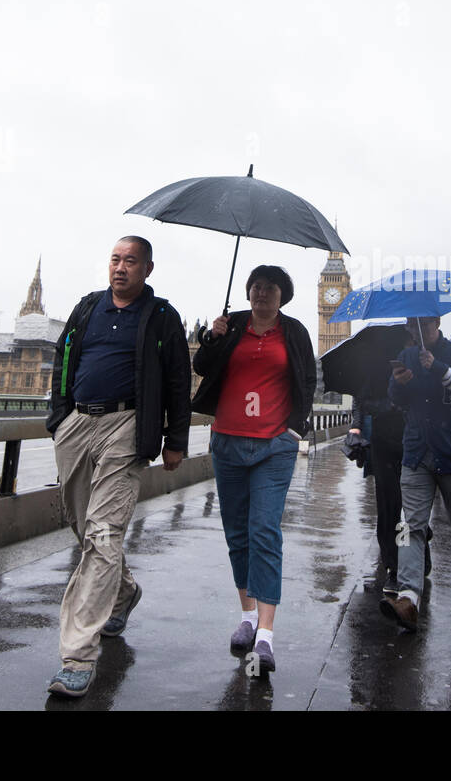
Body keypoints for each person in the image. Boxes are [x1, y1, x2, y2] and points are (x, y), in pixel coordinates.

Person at [44, 236, 192, 698]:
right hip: (77, 421)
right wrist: (58, 415)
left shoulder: (163, 316)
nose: (121, 267)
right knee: (81, 524)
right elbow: (63, 357)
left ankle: (77, 655)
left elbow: (177, 380)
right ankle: (123, 591)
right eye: (115, 259)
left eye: (131, 261)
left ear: (148, 268)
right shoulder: (88, 307)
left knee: (104, 532)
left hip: (127, 425)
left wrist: (175, 441)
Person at [192, 265, 316, 676]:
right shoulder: (232, 325)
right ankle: (246, 615)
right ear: (247, 293)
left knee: (265, 530)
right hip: (227, 440)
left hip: (274, 445)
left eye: (270, 288)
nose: (262, 293)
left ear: (284, 295)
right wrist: (212, 336)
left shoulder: (294, 332)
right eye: (256, 287)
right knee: (237, 532)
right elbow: (203, 367)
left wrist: (294, 429)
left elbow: (307, 379)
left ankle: (265, 635)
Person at [381, 316, 451, 631]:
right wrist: (399, 383)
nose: (417, 331)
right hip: (417, 452)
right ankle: (409, 597)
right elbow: (395, 400)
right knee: (411, 527)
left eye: (422, 325)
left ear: (436, 322)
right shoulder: (408, 356)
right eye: (412, 326)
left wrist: (436, 367)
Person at [348, 329, 431, 597]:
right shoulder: (376, 363)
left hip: (416, 440)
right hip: (385, 441)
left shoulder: (422, 356)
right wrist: (357, 428)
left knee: (413, 507)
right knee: (389, 507)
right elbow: (362, 401)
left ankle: (416, 553)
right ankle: (395, 566)